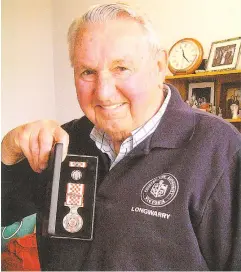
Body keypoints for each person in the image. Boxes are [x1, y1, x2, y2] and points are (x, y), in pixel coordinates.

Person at [2, 2, 241, 271]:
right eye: (87, 72)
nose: (103, 92)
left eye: (121, 68)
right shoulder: (64, 142)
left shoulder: (219, 148)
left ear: (159, 66)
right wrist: (8, 154)